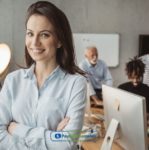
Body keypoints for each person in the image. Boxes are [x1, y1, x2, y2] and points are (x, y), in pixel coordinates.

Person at [0, 1, 87, 150]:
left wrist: (16, 129)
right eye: (30, 34)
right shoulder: (12, 80)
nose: (34, 42)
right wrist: (52, 136)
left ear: (59, 40)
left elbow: (67, 141)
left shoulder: (76, 83)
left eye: (44, 35)